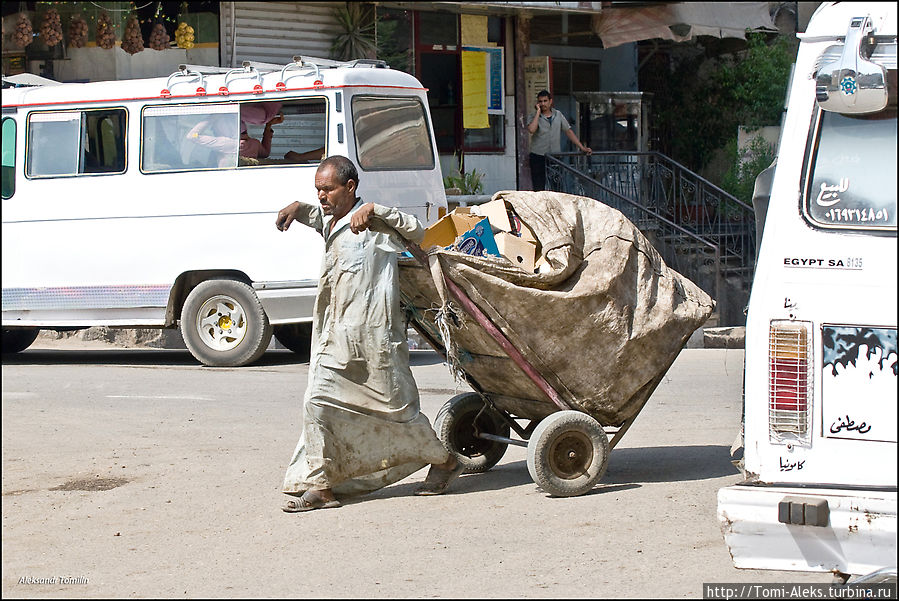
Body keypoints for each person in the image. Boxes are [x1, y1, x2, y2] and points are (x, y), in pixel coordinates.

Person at [274, 155, 463, 512]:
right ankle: (321, 486)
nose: (321, 196)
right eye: (317, 190)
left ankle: (445, 462)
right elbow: (320, 218)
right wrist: (299, 208)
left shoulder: (377, 225)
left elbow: (419, 231)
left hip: (375, 343)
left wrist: (378, 211)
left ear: (350, 188)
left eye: (327, 189)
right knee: (316, 404)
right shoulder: (332, 222)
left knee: (397, 414)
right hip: (334, 339)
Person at [526, 89, 592, 191]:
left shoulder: (558, 115)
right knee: (538, 187)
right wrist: (538, 112)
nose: (543, 104)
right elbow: (531, 129)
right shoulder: (534, 116)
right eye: (540, 101)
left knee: (556, 186)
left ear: (550, 101)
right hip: (538, 156)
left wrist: (581, 147)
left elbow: (568, 131)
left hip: (554, 156)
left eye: (545, 101)